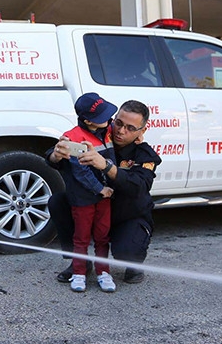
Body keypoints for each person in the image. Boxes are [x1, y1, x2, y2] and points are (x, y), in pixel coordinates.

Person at [48, 99, 162, 285]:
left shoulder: (144, 154)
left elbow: (139, 186)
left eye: (131, 128)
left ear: (142, 131)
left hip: (126, 214)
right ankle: (80, 262)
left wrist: (106, 166)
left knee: (127, 252)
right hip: (96, 207)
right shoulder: (100, 133)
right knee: (58, 202)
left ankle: (134, 264)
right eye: (119, 123)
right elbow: (57, 155)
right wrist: (56, 154)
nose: (121, 130)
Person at [59, 92, 117, 293]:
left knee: (102, 236)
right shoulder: (73, 137)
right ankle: (79, 273)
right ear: (88, 121)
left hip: (105, 197)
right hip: (85, 198)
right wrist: (101, 189)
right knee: (81, 237)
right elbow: (81, 171)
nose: (109, 119)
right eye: (102, 117)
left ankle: (103, 272)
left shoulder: (108, 129)